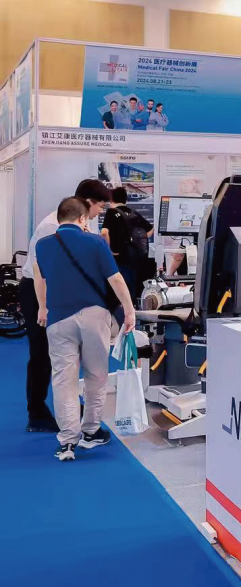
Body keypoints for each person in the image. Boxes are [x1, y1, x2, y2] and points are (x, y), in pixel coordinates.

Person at [34, 196, 137, 462]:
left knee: (63, 379)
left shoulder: (43, 245)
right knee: (96, 375)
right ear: (82, 218)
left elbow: (41, 278)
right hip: (94, 316)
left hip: (58, 318)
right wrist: (129, 311)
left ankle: (67, 440)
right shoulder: (95, 242)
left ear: (59, 218)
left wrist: (42, 308)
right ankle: (90, 431)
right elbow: (115, 279)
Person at [19, 178, 112, 433]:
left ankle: (69, 410)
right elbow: (40, 272)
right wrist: (43, 307)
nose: (101, 212)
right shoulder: (52, 227)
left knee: (70, 353)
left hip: (64, 291)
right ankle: (37, 413)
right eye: (100, 206)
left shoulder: (85, 221)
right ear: (89, 203)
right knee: (42, 353)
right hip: (39, 290)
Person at [101, 186, 154, 307]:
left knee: (118, 292)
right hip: (134, 257)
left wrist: (108, 250)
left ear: (111, 199)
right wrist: (140, 239)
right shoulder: (134, 213)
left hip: (118, 258)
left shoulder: (111, 212)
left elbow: (104, 232)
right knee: (131, 291)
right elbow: (150, 229)